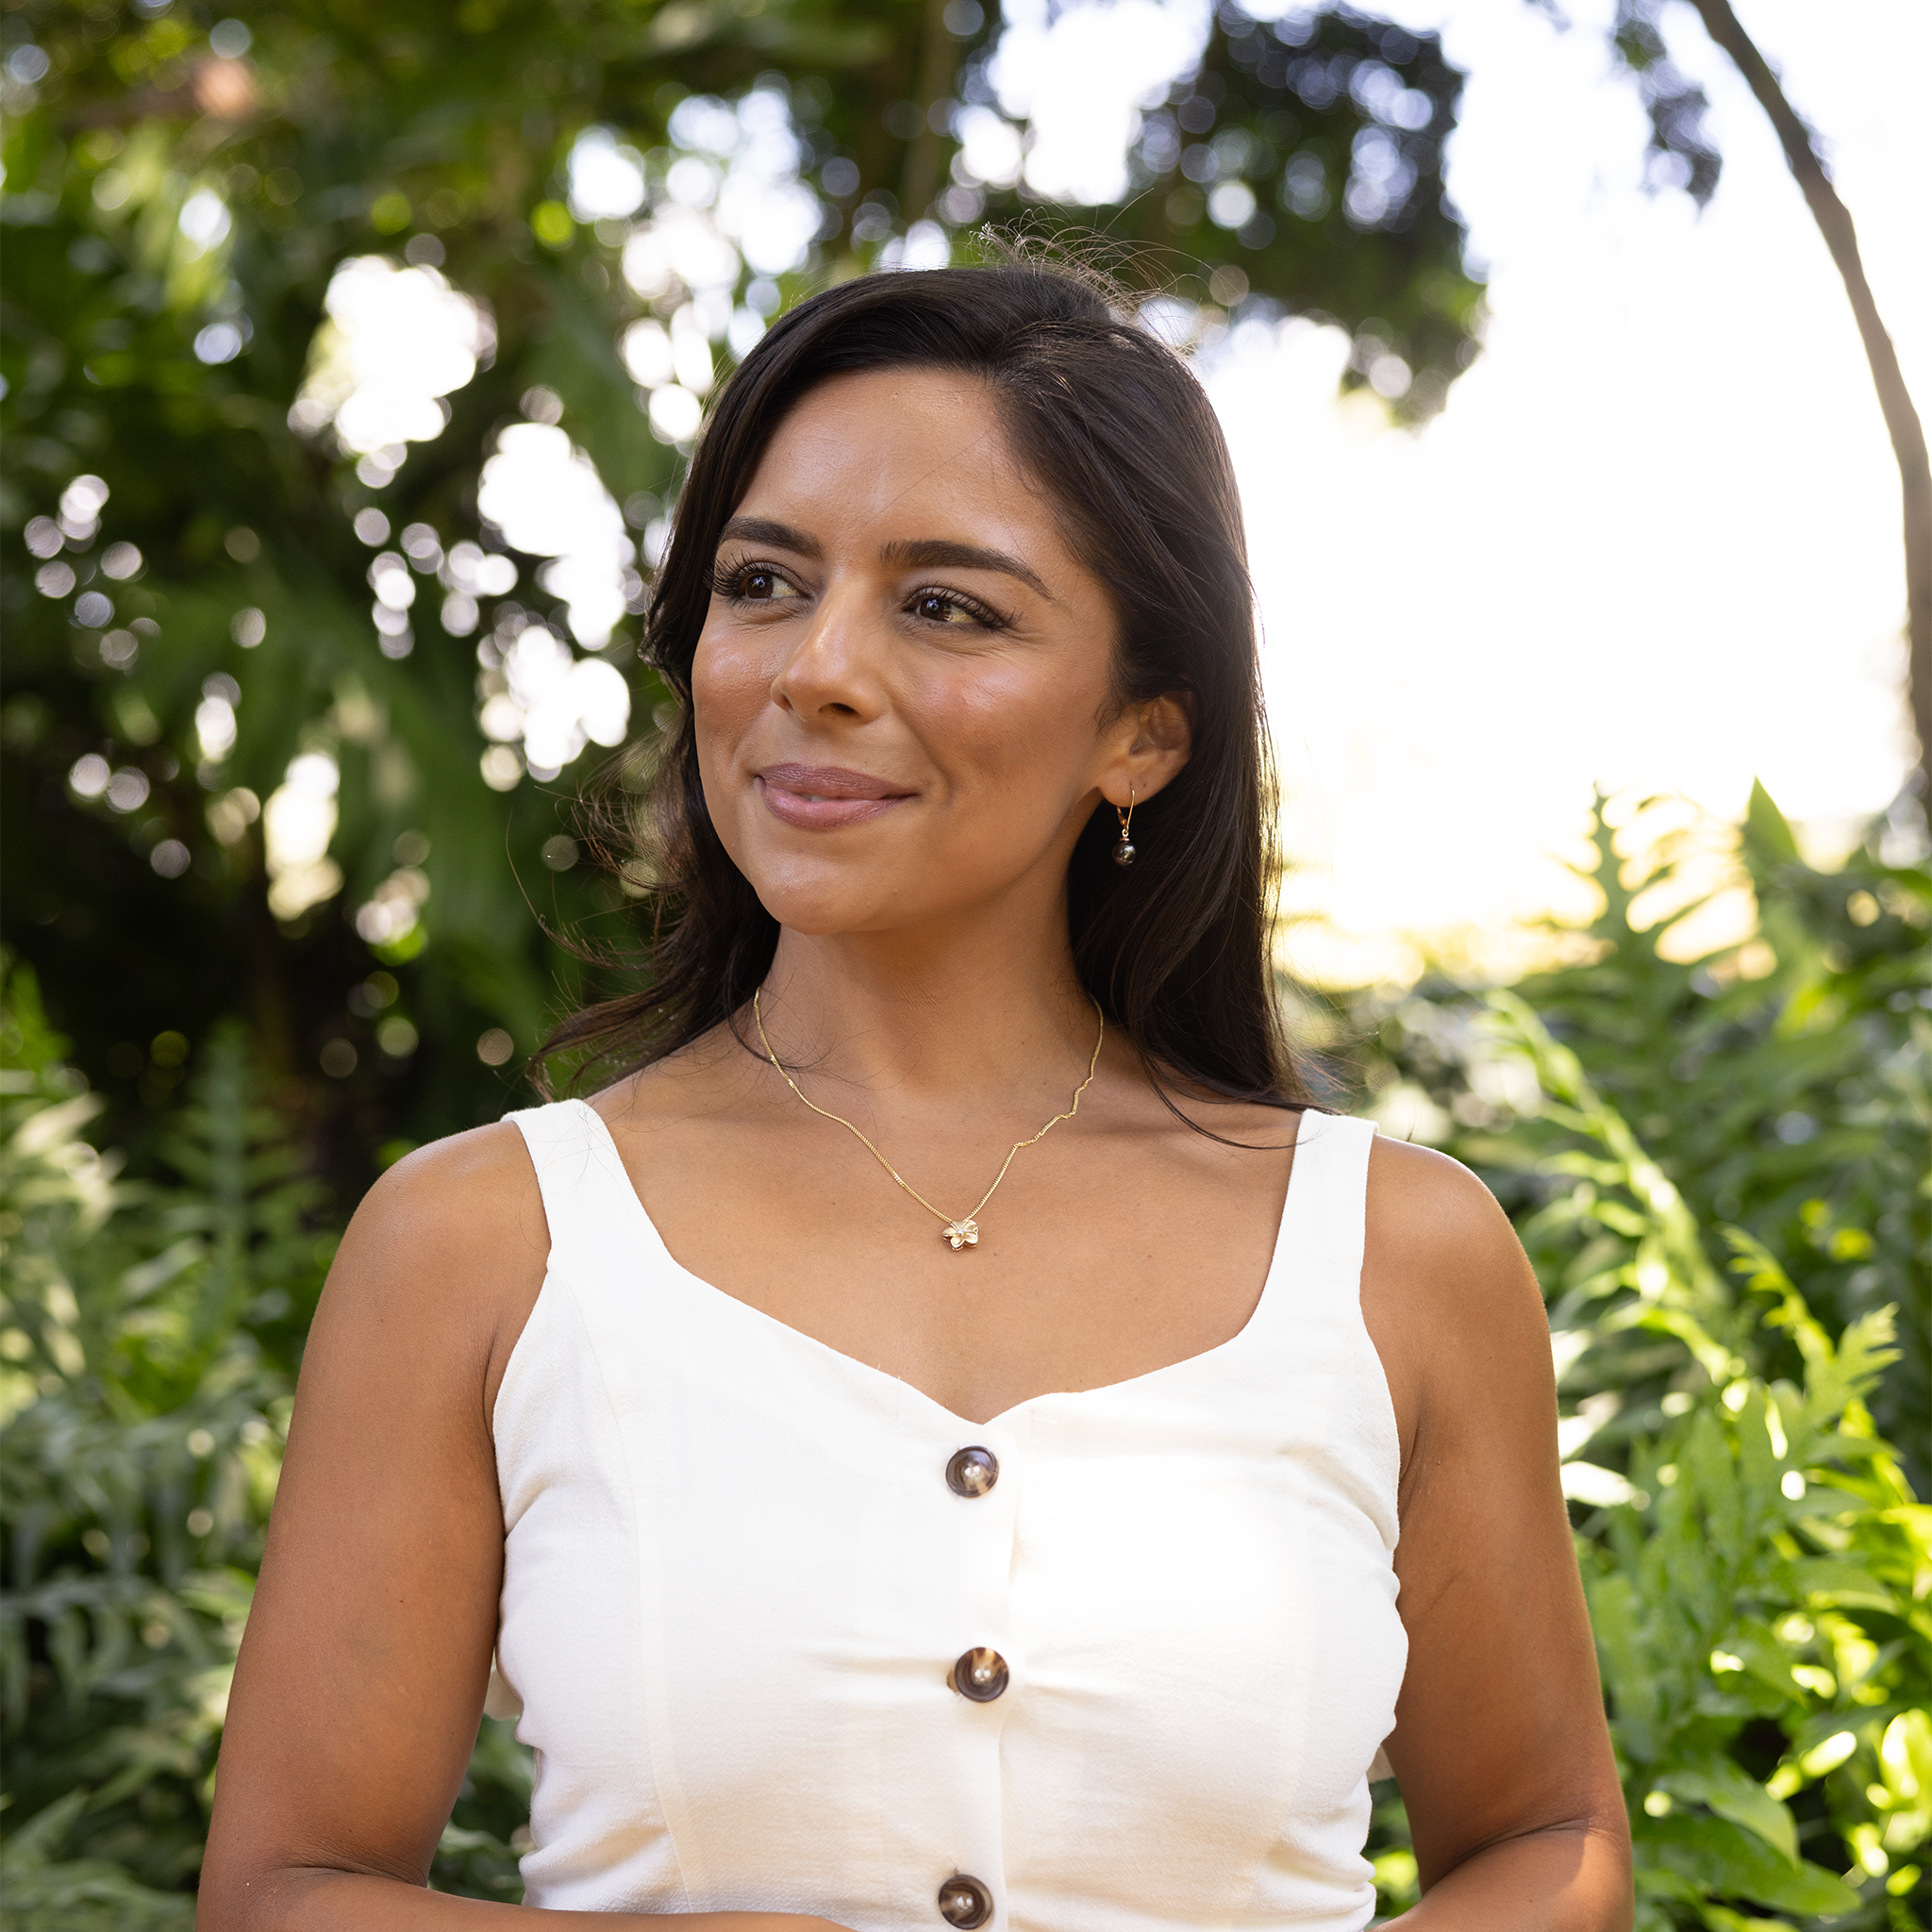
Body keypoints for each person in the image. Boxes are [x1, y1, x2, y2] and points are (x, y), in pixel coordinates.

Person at [199, 259, 1631, 1931]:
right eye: (762, 582)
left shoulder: (1397, 1255)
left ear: (1144, 738)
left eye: (947, 605)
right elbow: (287, 1891)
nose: (817, 668)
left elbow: (1552, 1848)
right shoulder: (481, 1246)